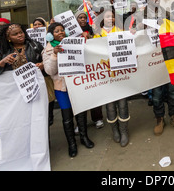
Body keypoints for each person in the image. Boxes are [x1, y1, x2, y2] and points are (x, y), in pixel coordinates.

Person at [42, 22, 94, 157]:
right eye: (56, 31)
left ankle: (84, 138)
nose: (60, 33)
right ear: (50, 35)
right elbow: (49, 71)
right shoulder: (47, 50)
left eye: (62, 30)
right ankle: (72, 144)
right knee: (67, 118)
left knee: (81, 113)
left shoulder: (73, 44)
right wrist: (54, 54)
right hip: (62, 88)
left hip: (77, 85)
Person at [141, 0, 174, 136]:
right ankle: (159, 119)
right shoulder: (141, 16)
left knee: (173, 91)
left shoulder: (165, 13)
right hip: (152, 60)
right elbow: (135, 35)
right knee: (156, 93)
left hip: (168, 57)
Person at [93, 9, 130, 146]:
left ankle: (124, 130)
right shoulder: (96, 34)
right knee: (110, 106)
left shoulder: (121, 31)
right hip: (106, 75)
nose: (110, 19)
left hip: (120, 74)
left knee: (123, 104)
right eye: (107, 16)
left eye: (112, 17)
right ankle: (115, 130)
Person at [75, 10, 104, 129]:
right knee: (80, 95)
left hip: (92, 66)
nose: (82, 19)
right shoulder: (70, 33)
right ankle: (80, 123)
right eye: (80, 17)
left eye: (84, 17)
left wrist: (90, 37)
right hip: (78, 67)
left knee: (94, 92)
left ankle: (97, 118)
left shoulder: (92, 29)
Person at [31, 17, 56, 126]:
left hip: (47, 71)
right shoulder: (31, 41)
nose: (37, 26)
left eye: (39, 24)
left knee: (49, 96)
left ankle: (50, 116)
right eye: (35, 24)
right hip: (35, 73)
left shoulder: (49, 38)